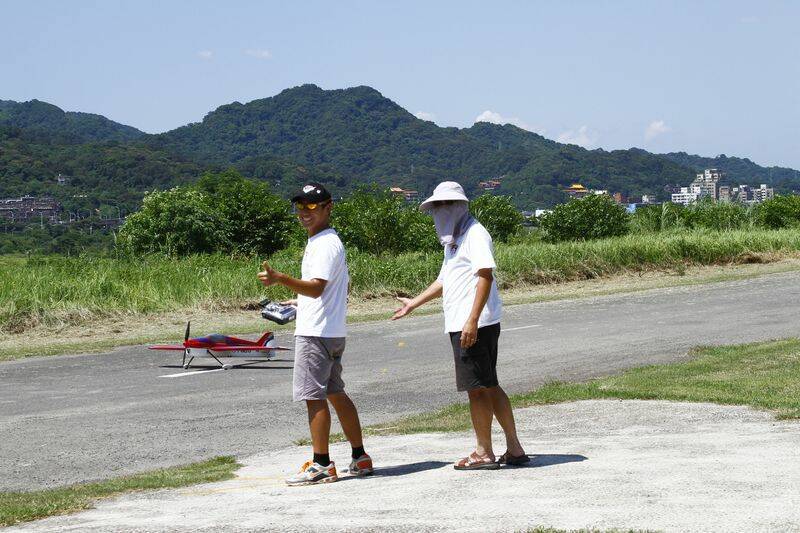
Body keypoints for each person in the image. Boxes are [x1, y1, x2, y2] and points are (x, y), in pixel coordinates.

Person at [392, 181, 527, 469]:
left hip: (474, 324)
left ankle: (483, 452)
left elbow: (485, 275)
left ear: (461, 205)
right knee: (489, 385)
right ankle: (514, 449)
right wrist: (413, 303)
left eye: (446, 205)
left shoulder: (475, 234)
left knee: (477, 389)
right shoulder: (454, 239)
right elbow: (445, 280)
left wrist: (472, 320)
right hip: (467, 322)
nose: (441, 211)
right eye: (437, 206)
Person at [258, 182, 372, 485]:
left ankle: (321, 463)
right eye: (300, 207)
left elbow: (318, 286)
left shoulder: (323, 243)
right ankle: (360, 457)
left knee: (313, 397)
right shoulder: (329, 242)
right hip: (331, 330)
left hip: (316, 334)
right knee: (335, 392)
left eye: (311, 206)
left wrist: (281, 279)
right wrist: (299, 300)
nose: (304, 213)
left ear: (327, 207)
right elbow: (332, 289)